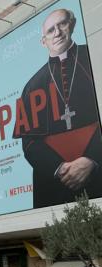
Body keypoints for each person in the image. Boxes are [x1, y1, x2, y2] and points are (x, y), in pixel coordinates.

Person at [12, 8, 102, 208]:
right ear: (43, 41)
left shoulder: (95, 55)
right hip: (55, 186)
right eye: (51, 30)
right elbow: (29, 143)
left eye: (61, 24)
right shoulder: (33, 85)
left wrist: (93, 159)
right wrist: (60, 168)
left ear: (72, 24)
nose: (58, 32)